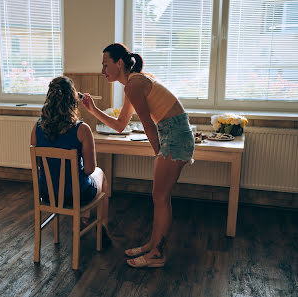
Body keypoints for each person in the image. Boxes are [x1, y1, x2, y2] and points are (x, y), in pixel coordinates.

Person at [82, 43, 195, 268]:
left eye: (106, 65)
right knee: (160, 197)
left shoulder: (134, 84)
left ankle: (157, 254)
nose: (102, 70)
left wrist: (159, 154)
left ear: (119, 63)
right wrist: (93, 110)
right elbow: (121, 125)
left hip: (175, 137)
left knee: (160, 198)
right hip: (174, 135)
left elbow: (148, 126)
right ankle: (153, 245)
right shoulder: (133, 83)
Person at [30, 76, 111, 243]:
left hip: (46, 194)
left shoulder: (37, 126)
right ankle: (102, 225)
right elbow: (89, 169)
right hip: (77, 196)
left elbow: (39, 163)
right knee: (100, 174)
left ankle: (84, 218)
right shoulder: (82, 129)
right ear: (73, 101)